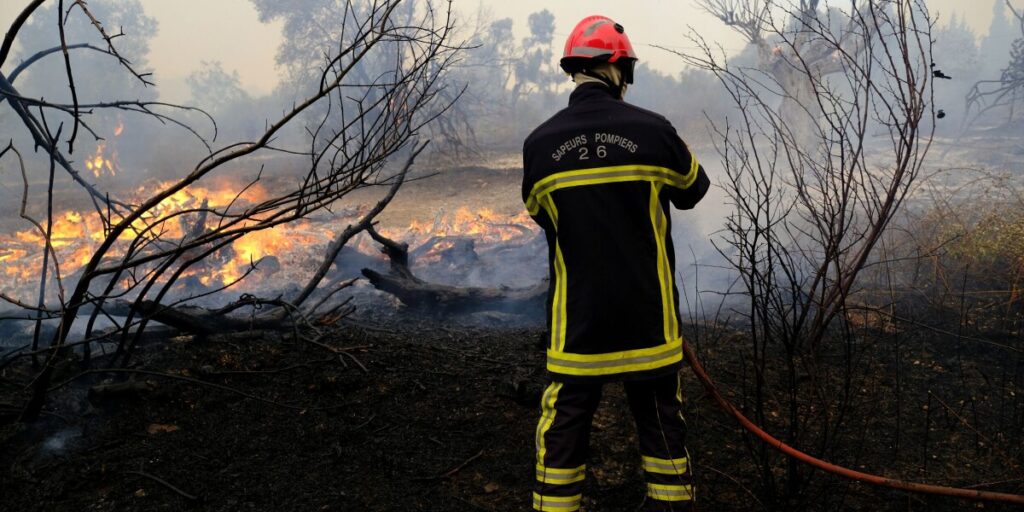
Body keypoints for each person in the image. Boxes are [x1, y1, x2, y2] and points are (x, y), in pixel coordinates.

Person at [521, 14, 710, 512]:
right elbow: (695, 190)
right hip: (648, 321)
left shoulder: (539, 145)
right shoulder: (653, 130)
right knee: (661, 424)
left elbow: (543, 216)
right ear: (615, 67)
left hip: (577, 326)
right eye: (627, 70)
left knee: (564, 428)